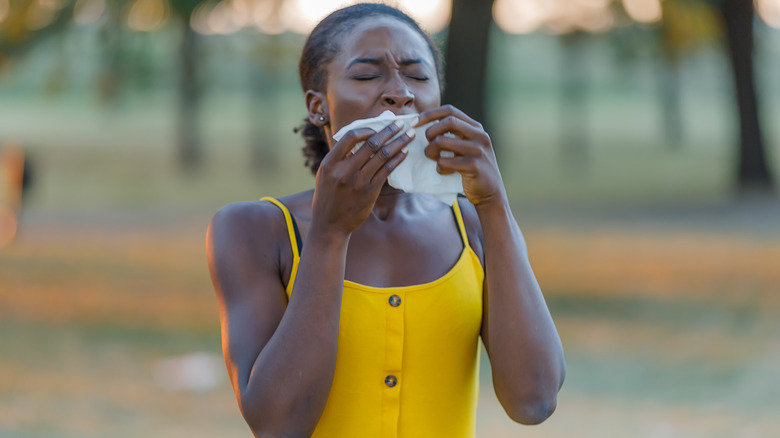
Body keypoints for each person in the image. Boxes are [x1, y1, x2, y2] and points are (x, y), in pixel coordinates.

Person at [206, 4, 565, 437]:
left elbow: (535, 400)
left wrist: (494, 205)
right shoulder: (254, 230)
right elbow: (278, 424)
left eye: (417, 76)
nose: (399, 93)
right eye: (366, 75)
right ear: (318, 105)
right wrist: (329, 234)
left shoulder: (472, 226)